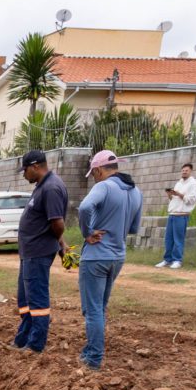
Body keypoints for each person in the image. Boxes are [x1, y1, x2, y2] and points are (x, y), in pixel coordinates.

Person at [76, 150, 143, 371]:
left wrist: (87, 232)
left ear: (98, 169)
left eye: (94, 174)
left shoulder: (104, 187)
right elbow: (133, 228)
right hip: (117, 256)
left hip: (96, 256)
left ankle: (93, 358)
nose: (94, 178)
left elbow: (85, 207)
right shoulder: (135, 192)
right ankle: (91, 350)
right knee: (100, 307)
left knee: (92, 309)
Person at [14, 150, 69, 353]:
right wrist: (61, 243)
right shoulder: (42, 186)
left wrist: (60, 243)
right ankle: (23, 339)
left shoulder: (52, 188)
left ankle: (35, 346)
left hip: (38, 253)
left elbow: (57, 222)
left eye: (25, 170)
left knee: (37, 300)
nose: (24, 174)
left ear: (35, 166)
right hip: (30, 253)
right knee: (25, 300)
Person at [156, 162, 196, 269]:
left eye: (186, 170)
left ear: (190, 171)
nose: (184, 172)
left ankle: (177, 260)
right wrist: (170, 195)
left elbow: (191, 200)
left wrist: (178, 194)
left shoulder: (193, 184)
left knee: (178, 239)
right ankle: (167, 259)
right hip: (172, 214)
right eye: (183, 170)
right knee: (168, 239)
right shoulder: (179, 183)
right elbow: (174, 200)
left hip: (182, 215)